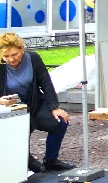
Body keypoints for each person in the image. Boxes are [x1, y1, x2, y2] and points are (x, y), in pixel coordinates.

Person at [0, 33, 74, 172]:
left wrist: (54, 107)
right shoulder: (1, 65)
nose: (11, 59)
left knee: (60, 121)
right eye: (6, 56)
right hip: (13, 108)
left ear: (22, 49)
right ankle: (26, 161)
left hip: (35, 103)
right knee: (18, 132)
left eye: (14, 54)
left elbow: (45, 82)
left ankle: (51, 160)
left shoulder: (33, 58)